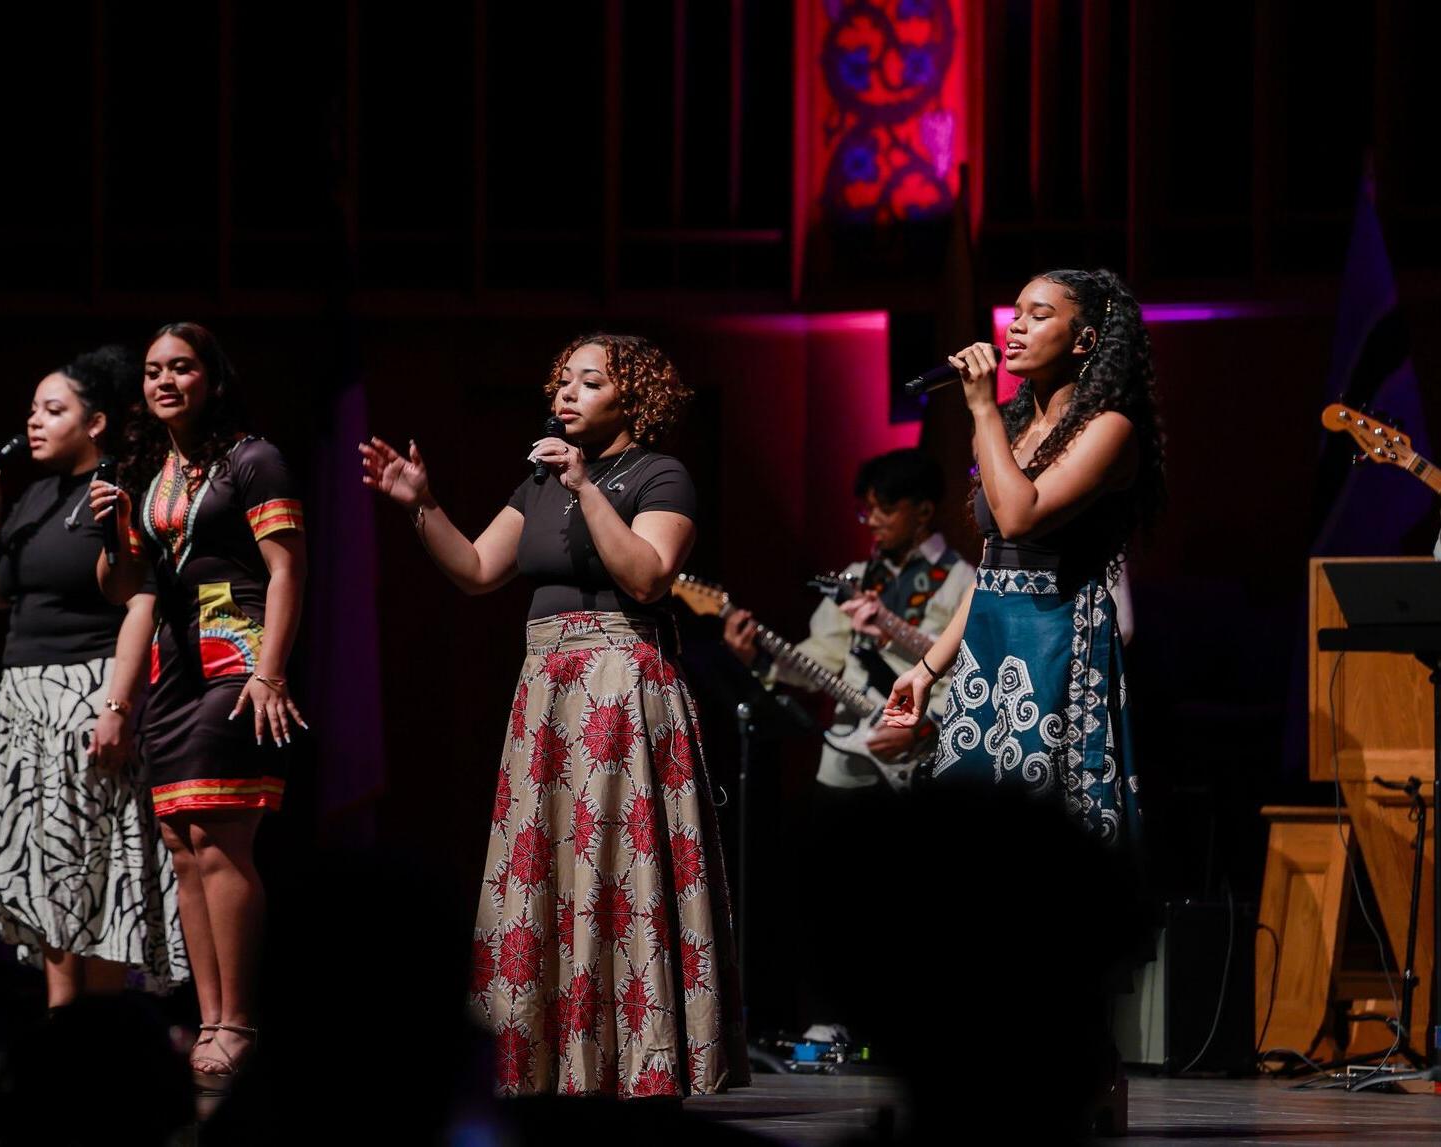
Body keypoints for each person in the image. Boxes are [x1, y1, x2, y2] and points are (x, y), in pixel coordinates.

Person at [360, 333, 748, 1098]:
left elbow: (646, 577)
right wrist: (425, 504)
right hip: (546, 688)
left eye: (590, 381)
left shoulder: (659, 475)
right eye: (563, 380)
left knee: (613, 869)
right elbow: (475, 570)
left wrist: (586, 488)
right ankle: (549, 1060)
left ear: (631, 398)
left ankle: (639, 1058)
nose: (566, 393)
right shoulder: (536, 481)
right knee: (547, 869)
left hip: (618, 682)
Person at [90, 323, 307, 1089]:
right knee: (184, 845)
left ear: (212, 378)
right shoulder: (154, 476)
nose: (165, 381)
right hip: (174, 671)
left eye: (181, 367)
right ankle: (211, 1018)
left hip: (237, 660)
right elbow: (128, 590)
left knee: (223, 844)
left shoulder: (254, 458)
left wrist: (272, 673)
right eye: (153, 371)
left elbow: (287, 569)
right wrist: (116, 531)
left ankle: (241, 1022)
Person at [881, 267, 1163, 844]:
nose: (1015, 328)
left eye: (1039, 316)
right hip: (989, 644)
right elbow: (994, 566)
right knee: (975, 829)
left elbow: (1019, 516)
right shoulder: (1011, 431)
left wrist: (982, 407)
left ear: (1084, 340)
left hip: (1057, 642)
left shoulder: (1109, 430)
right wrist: (928, 668)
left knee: (1041, 832)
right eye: (1014, 314)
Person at [0, 345, 185, 1009]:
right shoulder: (31, 496)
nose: (33, 422)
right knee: (43, 865)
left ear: (95, 423)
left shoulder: (119, 493)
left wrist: (118, 704)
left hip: (88, 689)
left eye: (52, 410)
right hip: (22, 696)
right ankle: (63, 1017)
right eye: (32, 410)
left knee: (96, 861)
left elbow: (142, 598)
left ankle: (104, 1023)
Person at [720, 448, 971, 1038]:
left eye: (885, 509)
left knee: (913, 893)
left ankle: (914, 1021)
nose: (874, 522)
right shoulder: (855, 580)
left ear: (923, 510)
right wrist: (759, 653)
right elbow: (820, 660)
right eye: (868, 512)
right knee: (833, 884)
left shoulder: (963, 581)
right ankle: (831, 1016)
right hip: (847, 747)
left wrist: (898, 647)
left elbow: (964, 667)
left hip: (919, 743)